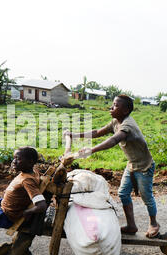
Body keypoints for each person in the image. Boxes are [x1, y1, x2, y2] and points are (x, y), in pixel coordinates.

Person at [65, 94, 160, 238]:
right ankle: (131, 225)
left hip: (144, 167)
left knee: (146, 196)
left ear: (125, 110)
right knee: (122, 193)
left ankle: (154, 223)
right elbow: (97, 132)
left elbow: (114, 140)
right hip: (132, 165)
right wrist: (74, 135)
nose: (111, 107)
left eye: (115, 105)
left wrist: (92, 150)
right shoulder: (116, 121)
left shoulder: (127, 125)